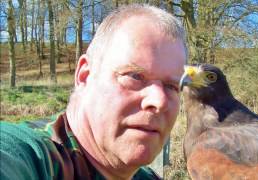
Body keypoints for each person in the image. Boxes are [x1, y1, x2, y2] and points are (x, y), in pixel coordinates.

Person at [0, 4, 187, 180]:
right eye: (135, 76)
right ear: (85, 75)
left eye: (172, 86)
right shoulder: (34, 159)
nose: (159, 101)